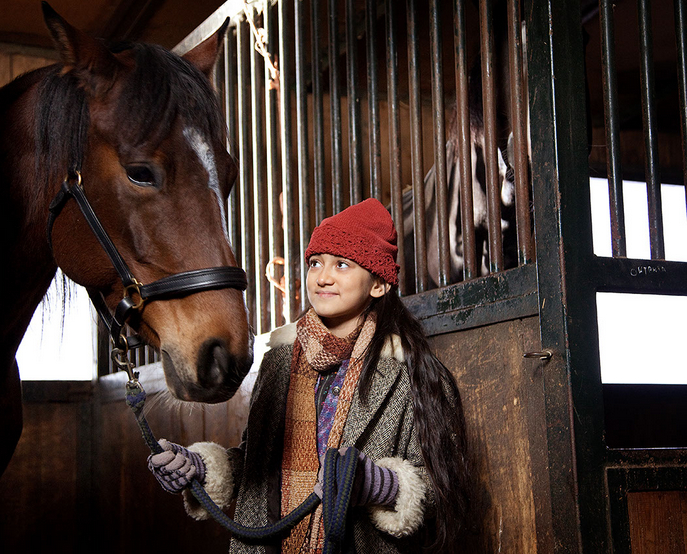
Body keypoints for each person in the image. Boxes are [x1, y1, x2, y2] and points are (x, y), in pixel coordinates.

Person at [147, 198, 470, 553]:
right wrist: (200, 469)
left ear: (378, 284)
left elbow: (442, 493)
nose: (323, 277)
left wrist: (378, 484)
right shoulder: (279, 361)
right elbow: (259, 469)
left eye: (342, 265)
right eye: (316, 263)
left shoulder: (414, 374)